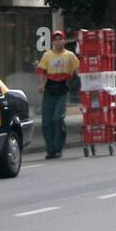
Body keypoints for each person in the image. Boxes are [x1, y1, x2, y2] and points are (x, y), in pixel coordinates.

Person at [36, 30, 79, 159]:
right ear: (53, 42)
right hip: (49, 90)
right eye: (56, 39)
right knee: (46, 121)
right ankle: (50, 150)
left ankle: (58, 147)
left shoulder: (70, 55)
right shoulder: (47, 55)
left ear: (64, 41)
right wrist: (41, 84)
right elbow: (42, 71)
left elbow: (78, 70)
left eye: (61, 39)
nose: (58, 41)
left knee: (58, 118)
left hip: (62, 89)